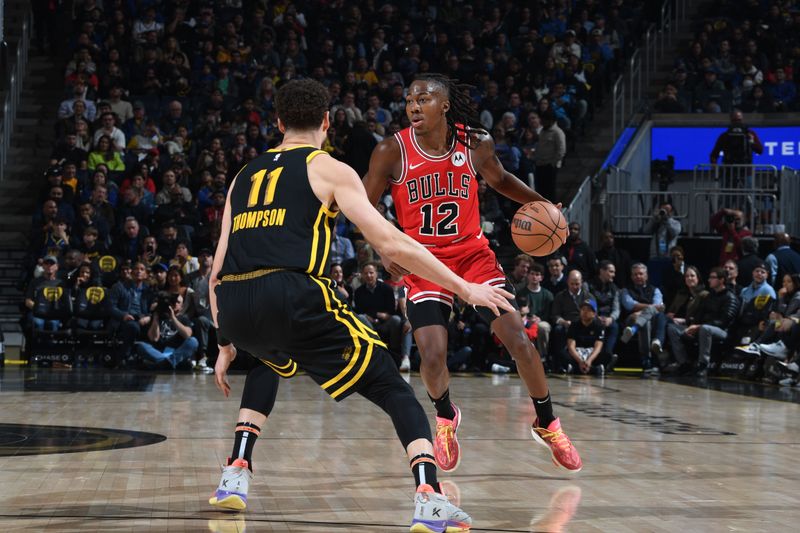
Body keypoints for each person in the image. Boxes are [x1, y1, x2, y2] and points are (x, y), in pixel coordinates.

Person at [209, 79, 515, 528]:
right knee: (392, 386)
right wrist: (466, 289)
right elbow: (390, 239)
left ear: (277, 123)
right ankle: (429, 496)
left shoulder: (243, 175)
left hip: (235, 303)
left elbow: (216, 270)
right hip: (292, 295)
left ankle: (235, 472)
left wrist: (224, 342)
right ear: (327, 122)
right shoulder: (329, 168)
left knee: (267, 361)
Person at [363, 74, 582, 474]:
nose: (413, 105)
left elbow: (499, 180)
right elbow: (361, 206)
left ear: (444, 105)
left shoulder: (474, 142)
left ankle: (547, 421)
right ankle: (446, 417)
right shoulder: (390, 151)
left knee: (520, 340)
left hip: (472, 257)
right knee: (431, 355)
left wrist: (545, 204)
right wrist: (383, 248)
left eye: (423, 98)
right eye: (409, 99)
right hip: (422, 261)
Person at [665, 267, 739, 376]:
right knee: (672, 328)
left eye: (712, 278)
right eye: (709, 277)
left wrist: (699, 326)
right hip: (703, 327)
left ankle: (703, 365)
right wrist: (690, 323)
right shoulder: (710, 296)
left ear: (722, 280)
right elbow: (698, 315)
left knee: (705, 329)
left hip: (722, 331)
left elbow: (724, 322)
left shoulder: (730, 298)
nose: (709, 280)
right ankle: (684, 363)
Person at [565, 299, 608, 376]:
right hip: (578, 352)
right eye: (583, 309)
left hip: (591, 352)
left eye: (588, 310)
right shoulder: (574, 324)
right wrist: (580, 361)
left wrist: (589, 360)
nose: (585, 312)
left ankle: (577, 369)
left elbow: (598, 346)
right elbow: (571, 346)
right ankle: (593, 369)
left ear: (594, 313)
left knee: (607, 354)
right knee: (563, 354)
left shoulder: (599, 325)